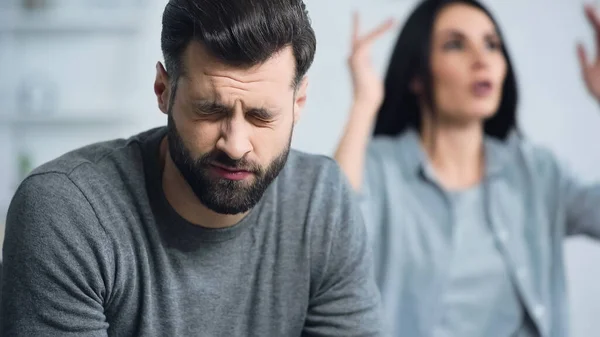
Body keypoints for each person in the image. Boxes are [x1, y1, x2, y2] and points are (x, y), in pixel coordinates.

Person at [0, 0, 384, 336]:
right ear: (163, 91)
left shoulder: (323, 203)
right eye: (209, 110)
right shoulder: (67, 212)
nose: (235, 145)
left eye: (261, 116)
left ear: (299, 101)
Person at [335, 0, 600, 336]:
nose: (481, 59)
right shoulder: (379, 168)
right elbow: (328, 239)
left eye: (491, 44)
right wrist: (365, 103)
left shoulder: (537, 171)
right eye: (455, 44)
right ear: (417, 75)